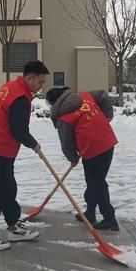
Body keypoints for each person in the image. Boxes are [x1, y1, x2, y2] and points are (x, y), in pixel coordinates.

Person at [0, 61, 49, 251]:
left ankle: (13, 226)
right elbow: (19, 130)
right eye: (40, 82)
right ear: (29, 78)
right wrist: (34, 144)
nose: (41, 86)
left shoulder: (12, 86)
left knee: (8, 187)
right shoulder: (20, 98)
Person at [46, 87, 119, 231]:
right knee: (95, 181)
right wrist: (106, 117)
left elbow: (66, 143)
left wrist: (72, 158)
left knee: (97, 183)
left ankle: (110, 218)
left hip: (92, 149)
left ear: (55, 103)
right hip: (108, 142)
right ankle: (90, 213)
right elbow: (103, 95)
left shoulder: (63, 117)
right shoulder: (85, 95)